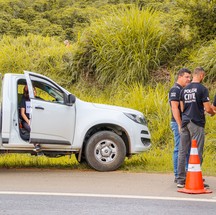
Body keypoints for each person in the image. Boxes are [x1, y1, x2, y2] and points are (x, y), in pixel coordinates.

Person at [177, 67, 215, 188]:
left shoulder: (184, 89)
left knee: (183, 150)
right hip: (196, 122)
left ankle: (180, 179)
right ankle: (195, 176)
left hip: (185, 122)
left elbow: (182, 108)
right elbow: (208, 108)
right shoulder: (202, 89)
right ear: (202, 75)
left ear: (193, 75)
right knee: (198, 150)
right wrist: (212, 112)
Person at [169, 68, 191, 183]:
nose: (189, 79)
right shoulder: (175, 89)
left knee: (186, 149)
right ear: (180, 77)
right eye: (187, 77)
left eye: (189, 77)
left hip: (184, 123)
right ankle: (178, 175)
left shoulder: (183, 89)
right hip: (178, 123)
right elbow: (174, 108)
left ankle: (187, 174)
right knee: (179, 149)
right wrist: (179, 124)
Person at [20, 85, 41, 153]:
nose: (34, 92)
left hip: (36, 119)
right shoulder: (24, 100)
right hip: (26, 120)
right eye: (32, 91)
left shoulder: (38, 99)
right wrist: (28, 121)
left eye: (34, 90)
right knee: (31, 128)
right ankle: (37, 145)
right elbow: (22, 113)